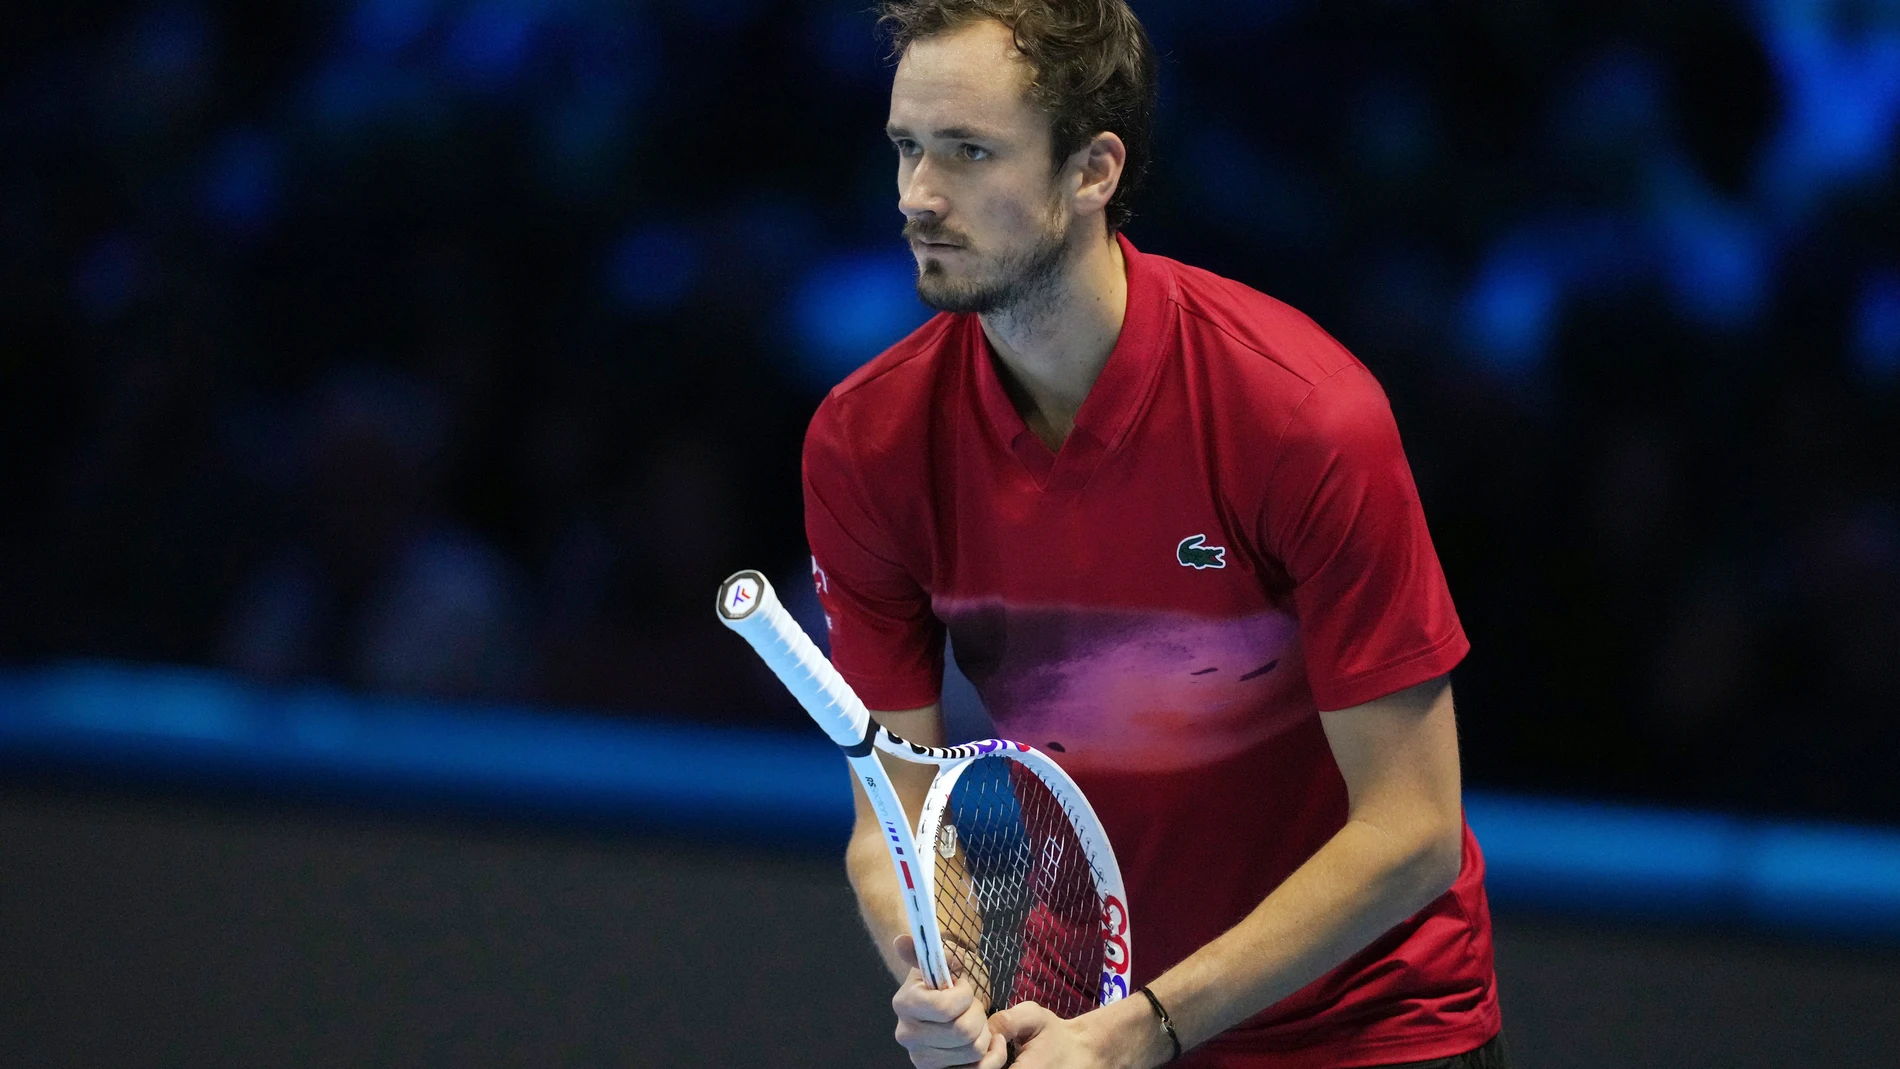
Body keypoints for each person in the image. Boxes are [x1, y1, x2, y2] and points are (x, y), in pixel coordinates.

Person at [802, 2, 1507, 1066]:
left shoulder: (1300, 415)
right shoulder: (867, 443)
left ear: (1092, 171)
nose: (918, 196)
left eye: (968, 151)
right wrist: (936, 966)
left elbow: (1411, 829)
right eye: (906, 147)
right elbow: (888, 816)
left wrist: (1148, 1027)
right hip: (1087, 1021)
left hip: (1371, 1031)